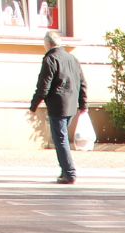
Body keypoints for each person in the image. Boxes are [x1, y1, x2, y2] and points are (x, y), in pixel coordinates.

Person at [29, 30, 85, 185]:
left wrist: (34, 105)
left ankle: (69, 172)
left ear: (47, 44)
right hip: (72, 105)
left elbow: (43, 86)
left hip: (58, 105)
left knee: (60, 139)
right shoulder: (72, 59)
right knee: (62, 138)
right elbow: (82, 82)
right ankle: (64, 171)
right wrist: (83, 103)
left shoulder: (50, 59)